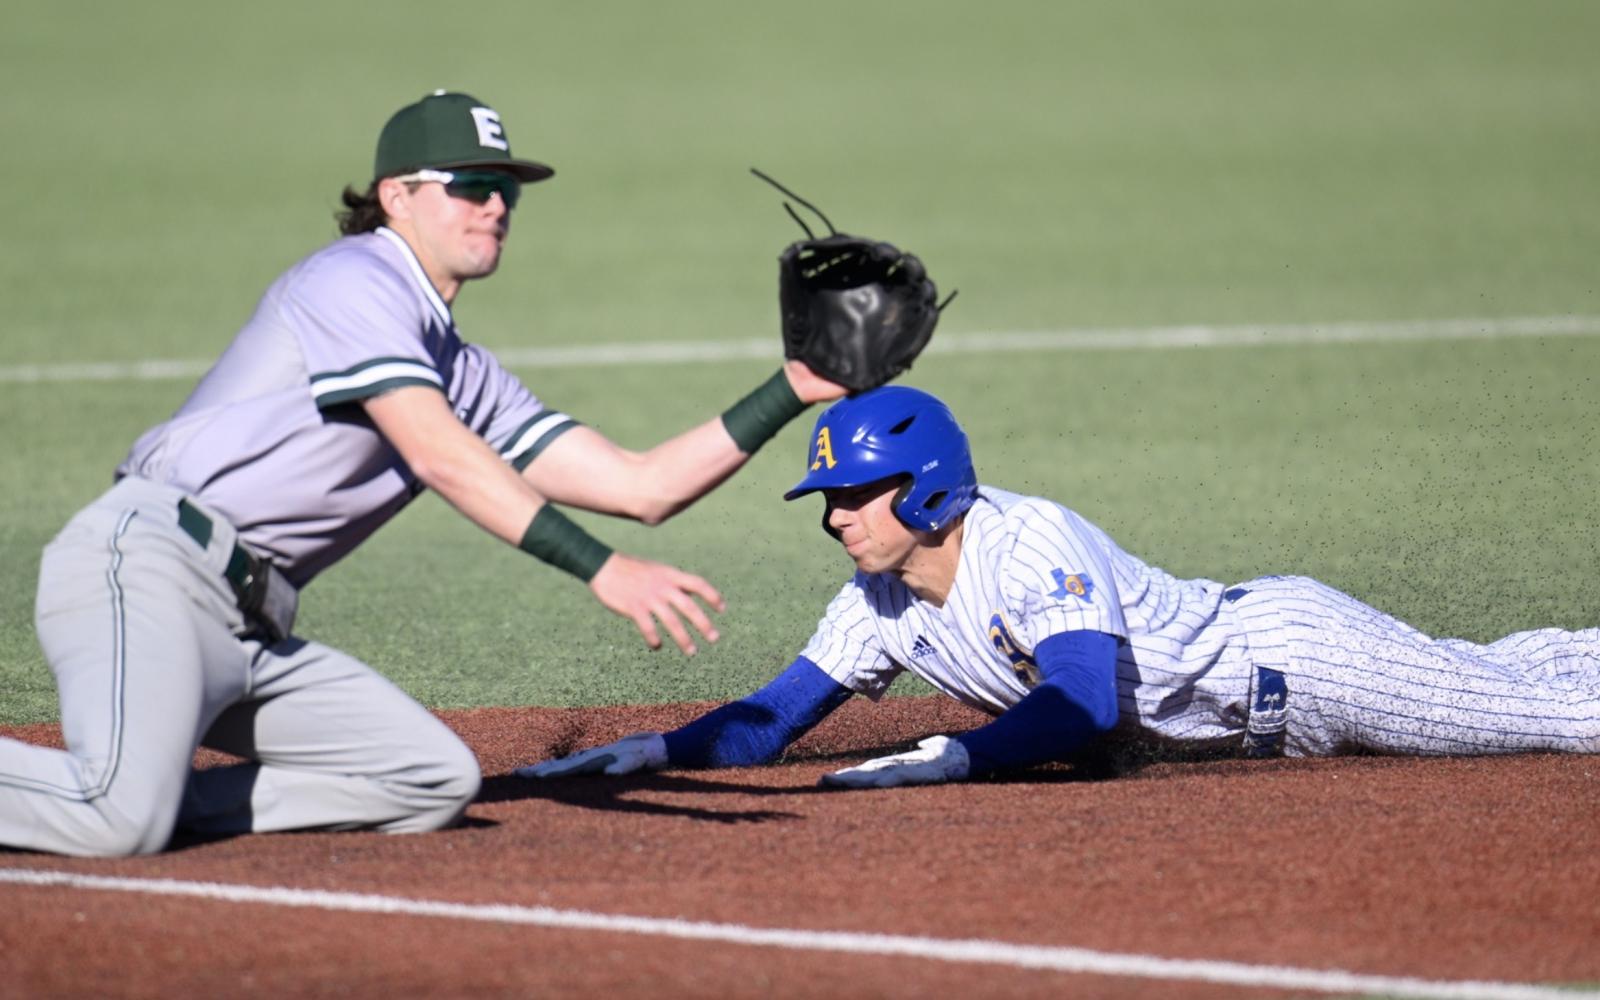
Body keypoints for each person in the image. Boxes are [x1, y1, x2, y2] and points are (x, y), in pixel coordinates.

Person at [0, 90, 848, 856]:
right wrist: (603, 569)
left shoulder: (457, 368)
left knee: (426, 779)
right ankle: (136, 803)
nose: (494, 206)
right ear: (397, 196)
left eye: (506, 190)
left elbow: (641, 486)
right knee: (117, 816)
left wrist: (796, 386)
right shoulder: (356, 278)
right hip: (148, 569)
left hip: (242, 629)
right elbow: (440, 456)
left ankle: (157, 801)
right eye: (469, 185)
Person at [522, 385, 1600, 787]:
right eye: (825, 498)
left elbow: (1080, 703)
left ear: (930, 489)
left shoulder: (1027, 541)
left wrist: (953, 756)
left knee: (1544, 714)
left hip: (1296, 658)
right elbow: (772, 724)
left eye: (856, 492)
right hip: (1257, 713)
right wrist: (650, 753)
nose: (835, 514)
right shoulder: (877, 604)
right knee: (1519, 664)